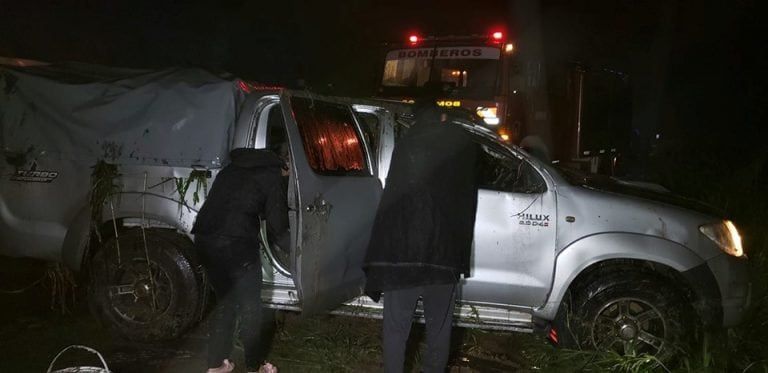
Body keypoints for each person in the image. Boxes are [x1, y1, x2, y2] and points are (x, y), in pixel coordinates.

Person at [363, 96, 481, 373]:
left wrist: (379, 256)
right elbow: (466, 204)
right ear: (442, 118)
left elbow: (392, 203)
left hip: (401, 258)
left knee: (395, 329)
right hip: (444, 257)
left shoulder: (407, 144)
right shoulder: (463, 148)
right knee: (439, 329)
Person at [192, 147, 289, 373]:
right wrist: (299, 251)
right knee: (251, 309)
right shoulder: (273, 175)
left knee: (225, 303)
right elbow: (278, 228)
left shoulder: (233, 168)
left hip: (204, 240)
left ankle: (216, 365)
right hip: (236, 245)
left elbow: (238, 202)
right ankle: (255, 367)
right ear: (285, 165)